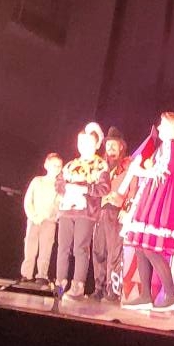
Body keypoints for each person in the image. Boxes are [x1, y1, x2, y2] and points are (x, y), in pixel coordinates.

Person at [121, 111, 174, 312]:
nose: (159, 127)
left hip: (161, 200)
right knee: (141, 246)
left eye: (163, 124)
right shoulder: (164, 147)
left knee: (150, 247)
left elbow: (167, 169)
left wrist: (142, 171)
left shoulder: (171, 145)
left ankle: (171, 295)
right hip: (152, 196)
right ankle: (145, 295)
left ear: (173, 128)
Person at [55, 123, 110, 299]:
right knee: (63, 247)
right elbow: (58, 183)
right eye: (80, 142)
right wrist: (66, 188)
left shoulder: (100, 165)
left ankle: (78, 286)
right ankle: (59, 285)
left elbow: (104, 188)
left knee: (80, 248)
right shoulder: (71, 165)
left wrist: (85, 189)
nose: (83, 146)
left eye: (87, 142)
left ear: (96, 144)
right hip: (67, 210)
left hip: (86, 211)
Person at [91, 127, 136, 302]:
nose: (110, 148)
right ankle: (99, 288)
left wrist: (126, 207)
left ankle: (113, 290)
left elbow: (133, 190)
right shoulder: (100, 166)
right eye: (108, 145)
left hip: (116, 212)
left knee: (114, 253)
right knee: (98, 251)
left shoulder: (128, 166)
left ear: (121, 146)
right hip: (99, 211)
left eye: (113, 145)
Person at [20, 152, 63, 285]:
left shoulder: (60, 185)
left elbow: (60, 204)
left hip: (49, 221)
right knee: (30, 246)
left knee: (46, 247)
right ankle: (26, 274)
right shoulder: (37, 181)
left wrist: (53, 216)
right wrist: (33, 215)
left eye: (59, 166)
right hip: (34, 219)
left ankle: (42, 275)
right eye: (53, 165)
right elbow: (28, 201)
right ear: (46, 165)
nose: (56, 168)